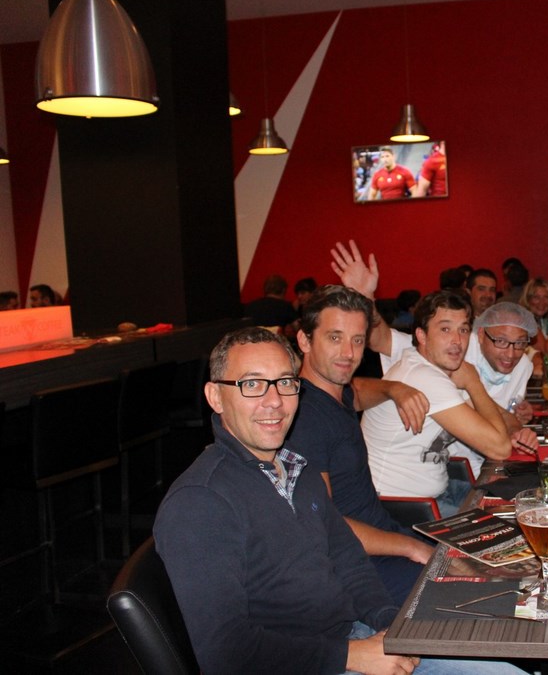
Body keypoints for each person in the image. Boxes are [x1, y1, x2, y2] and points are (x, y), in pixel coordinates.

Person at [153, 327, 526, 675]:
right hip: (305, 663)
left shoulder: (295, 469)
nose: (274, 401)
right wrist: (352, 655)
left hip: (352, 637)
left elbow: (348, 560)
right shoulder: (200, 503)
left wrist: (389, 622)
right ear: (215, 397)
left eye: (285, 382)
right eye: (252, 384)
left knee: (506, 646)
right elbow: (224, 653)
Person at [287, 285, 435, 605]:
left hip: (385, 538)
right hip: (360, 567)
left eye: (357, 340)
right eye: (334, 337)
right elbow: (325, 524)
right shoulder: (303, 420)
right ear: (304, 341)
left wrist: (394, 388)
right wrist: (410, 547)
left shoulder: (333, 392)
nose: (348, 353)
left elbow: (357, 391)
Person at [361, 290, 512, 516]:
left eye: (463, 330)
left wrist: (517, 427)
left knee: (518, 503)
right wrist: (473, 382)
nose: (457, 340)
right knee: (510, 521)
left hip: (440, 491)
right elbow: (499, 448)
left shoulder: (432, 368)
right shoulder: (423, 376)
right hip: (399, 507)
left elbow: (493, 417)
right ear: (422, 336)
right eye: (445, 329)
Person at [448, 302, 540, 476]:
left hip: (491, 462)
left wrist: (518, 432)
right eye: (501, 341)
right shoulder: (459, 354)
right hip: (452, 465)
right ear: (481, 335)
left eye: (520, 343)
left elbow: (508, 414)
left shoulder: (523, 366)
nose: (510, 354)